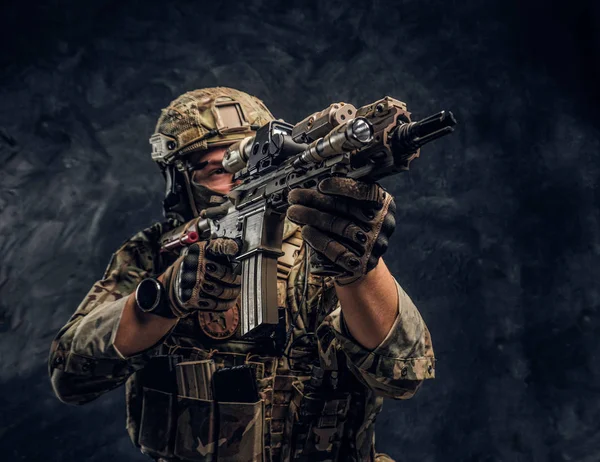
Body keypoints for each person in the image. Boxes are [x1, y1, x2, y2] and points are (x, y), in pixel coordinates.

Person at [48, 87, 435, 462]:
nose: (236, 182)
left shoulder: (322, 243)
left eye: (247, 164)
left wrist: (359, 271)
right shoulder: (153, 254)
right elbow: (71, 378)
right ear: (179, 183)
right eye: (216, 171)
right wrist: (162, 301)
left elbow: (403, 376)